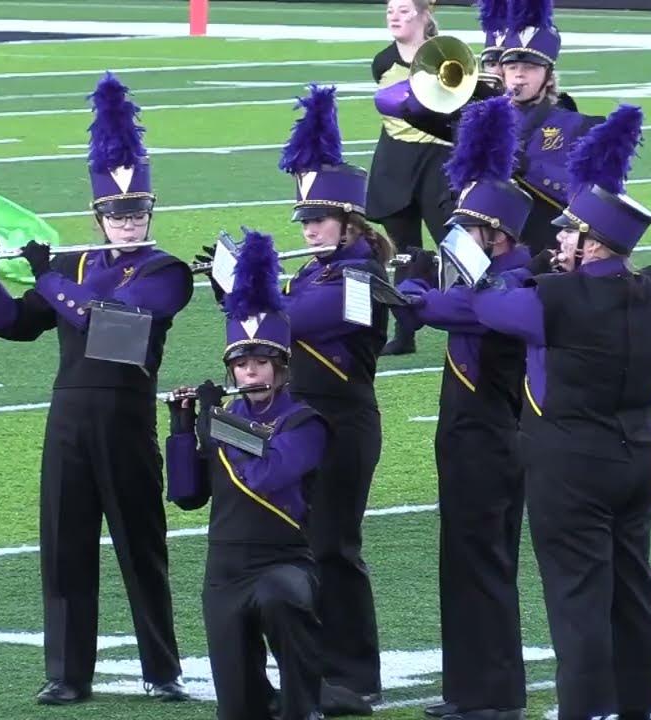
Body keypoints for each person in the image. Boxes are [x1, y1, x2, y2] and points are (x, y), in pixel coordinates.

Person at [0, 72, 191, 706]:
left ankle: (161, 669)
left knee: (140, 547)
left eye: (136, 212)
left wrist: (46, 276)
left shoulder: (167, 271)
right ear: (97, 215)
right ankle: (68, 673)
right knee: (64, 547)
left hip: (124, 417)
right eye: (115, 214)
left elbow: (111, 325)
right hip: (68, 416)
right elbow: (11, 325)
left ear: (150, 212)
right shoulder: (73, 264)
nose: (126, 222)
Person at [471, 105, 651, 719]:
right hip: (638, 454)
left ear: (593, 245)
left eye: (568, 234)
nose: (557, 240)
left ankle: (583, 711)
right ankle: (640, 707)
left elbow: (487, 304)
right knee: (633, 589)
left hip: (571, 465)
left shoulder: (557, 298)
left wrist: (524, 270)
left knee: (578, 597)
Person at [391, 95, 532, 720]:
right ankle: (467, 690)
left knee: (486, 564)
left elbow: (461, 312)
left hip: (494, 441)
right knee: (462, 563)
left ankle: (496, 695)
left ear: (496, 236)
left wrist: (417, 295)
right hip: (465, 438)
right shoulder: (482, 275)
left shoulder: (515, 281)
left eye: (466, 229)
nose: (455, 239)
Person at [166, 230, 329, 720]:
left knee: (283, 601)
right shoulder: (226, 424)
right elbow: (187, 495)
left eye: (261, 362)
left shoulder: (304, 422)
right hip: (225, 570)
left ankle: (306, 706)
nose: (250, 373)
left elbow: (267, 475)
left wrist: (220, 426)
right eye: (242, 364)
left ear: (281, 368)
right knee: (237, 708)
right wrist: (180, 429)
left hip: (284, 562)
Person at [279, 84, 393, 716]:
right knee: (305, 546)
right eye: (305, 221)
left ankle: (356, 674)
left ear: (350, 222)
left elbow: (300, 321)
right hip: (305, 420)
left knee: (335, 548)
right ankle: (315, 667)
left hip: (345, 424)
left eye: (318, 219)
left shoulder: (363, 278)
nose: (310, 229)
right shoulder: (312, 271)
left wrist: (249, 295)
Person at [368, 0, 454, 355]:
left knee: (454, 247)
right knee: (403, 251)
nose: (394, 16)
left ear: (424, 14)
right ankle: (405, 334)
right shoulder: (383, 62)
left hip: (440, 159)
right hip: (396, 160)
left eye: (404, 9)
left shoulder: (448, 55)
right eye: (390, 9)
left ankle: (466, 323)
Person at [500, 0, 599, 253]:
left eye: (530, 67)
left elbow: (588, 196)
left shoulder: (577, 126)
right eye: (512, 67)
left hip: (548, 248)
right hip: (494, 247)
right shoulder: (483, 121)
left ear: (549, 75)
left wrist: (528, 167)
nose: (519, 75)